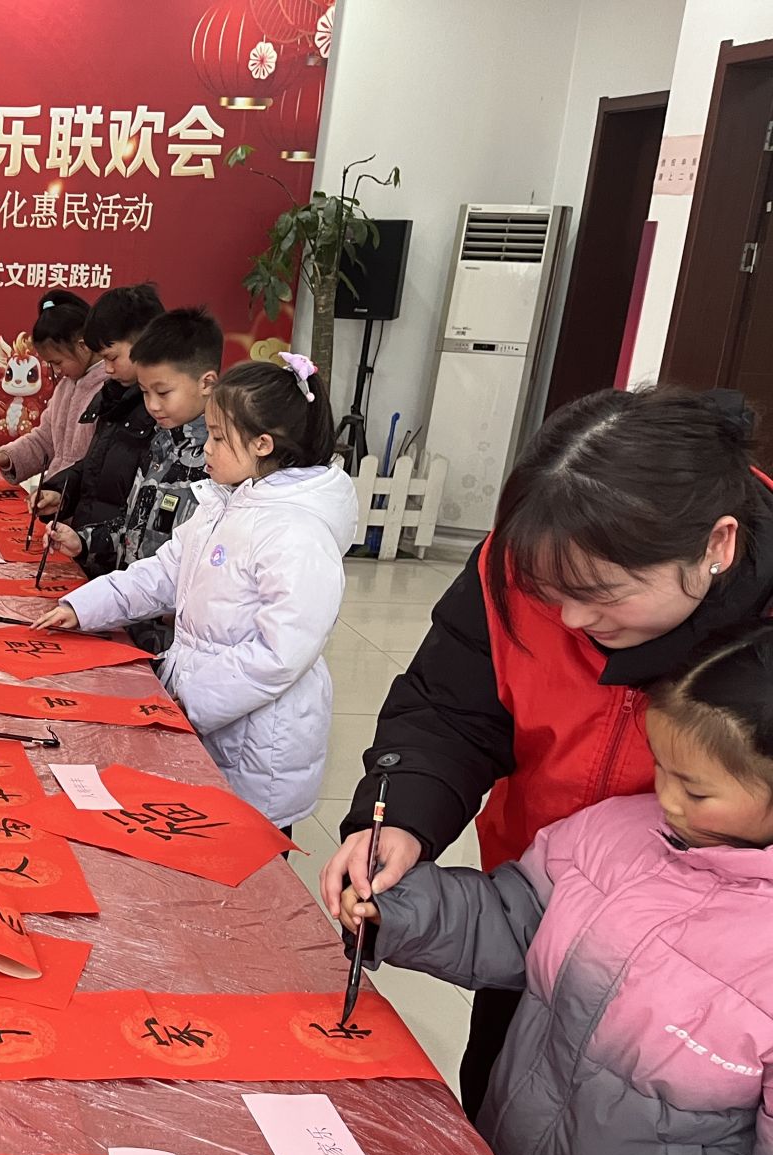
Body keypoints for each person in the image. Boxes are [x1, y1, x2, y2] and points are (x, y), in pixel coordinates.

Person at [341, 624, 773, 1155]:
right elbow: (515, 917)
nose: (666, 799)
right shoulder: (617, 833)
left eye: (697, 788)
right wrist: (401, 910)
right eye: (662, 768)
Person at [319, 388, 773, 1116]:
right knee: (504, 1112)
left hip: (712, 992)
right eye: (550, 591)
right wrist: (401, 816)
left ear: (717, 546)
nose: (570, 617)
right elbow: (448, 712)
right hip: (537, 911)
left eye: (604, 593)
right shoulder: (526, 559)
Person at [32, 355, 356, 832]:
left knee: (242, 849)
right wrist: (84, 606)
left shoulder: (297, 533)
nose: (207, 447)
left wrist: (191, 700)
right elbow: (164, 573)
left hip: (254, 744)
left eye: (219, 438)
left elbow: (280, 653)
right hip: (200, 710)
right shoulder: (224, 502)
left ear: (263, 444)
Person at [50, 304, 220, 580]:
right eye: (144, 392)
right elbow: (134, 528)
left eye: (163, 393)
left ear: (207, 383)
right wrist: (83, 542)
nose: (152, 405)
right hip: (132, 598)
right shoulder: (160, 442)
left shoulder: (219, 460)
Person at [31, 284, 167, 571]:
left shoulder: (163, 416)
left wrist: (89, 542)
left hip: (129, 572)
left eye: (112, 357)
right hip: (96, 557)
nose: (107, 369)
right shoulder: (114, 397)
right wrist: (61, 493)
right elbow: (95, 463)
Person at [0, 288, 107, 486]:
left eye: (58, 362)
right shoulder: (64, 388)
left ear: (83, 346)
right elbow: (45, 440)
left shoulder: (109, 390)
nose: (57, 371)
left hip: (81, 498)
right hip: (55, 495)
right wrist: (5, 457)